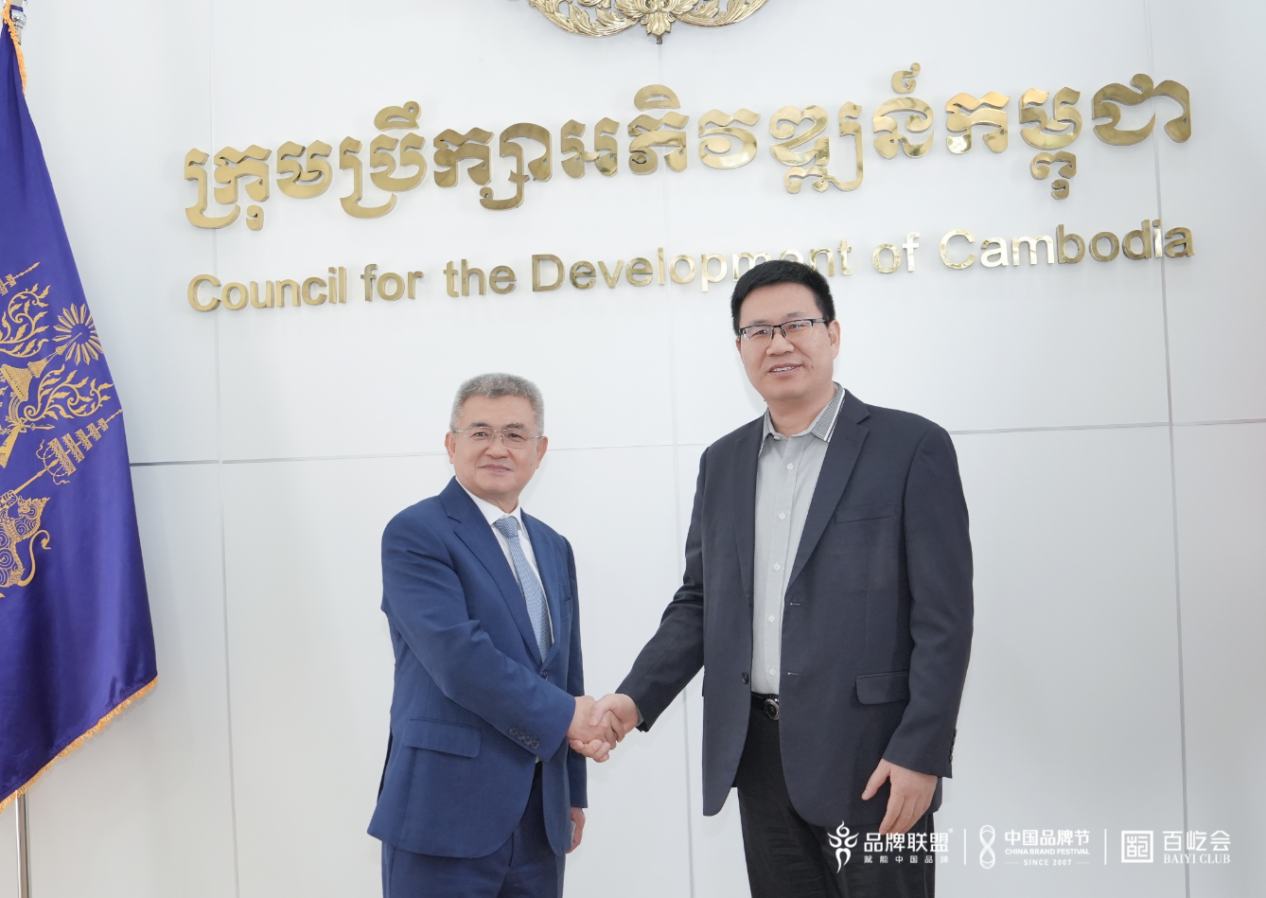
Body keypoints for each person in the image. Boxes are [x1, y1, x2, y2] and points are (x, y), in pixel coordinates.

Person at [582, 261, 974, 898]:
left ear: (833, 334)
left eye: (797, 325)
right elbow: (700, 603)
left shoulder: (910, 446)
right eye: (758, 331)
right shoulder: (723, 462)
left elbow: (944, 620)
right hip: (759, 754)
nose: (779, 343)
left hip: (873, 755)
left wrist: (921, 751)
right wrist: (633, 700)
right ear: (739, 347)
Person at [370, 373, 616, 898]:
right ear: (451, 444)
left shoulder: (553, 546)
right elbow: (459, 659)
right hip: (444, 813)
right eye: (480, 432)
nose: (497, 448)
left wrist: (572, 791)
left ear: (539, 450)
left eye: (515, 434)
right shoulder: (416, 533)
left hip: (541, 818)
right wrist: (569, 716)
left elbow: (564, 671)